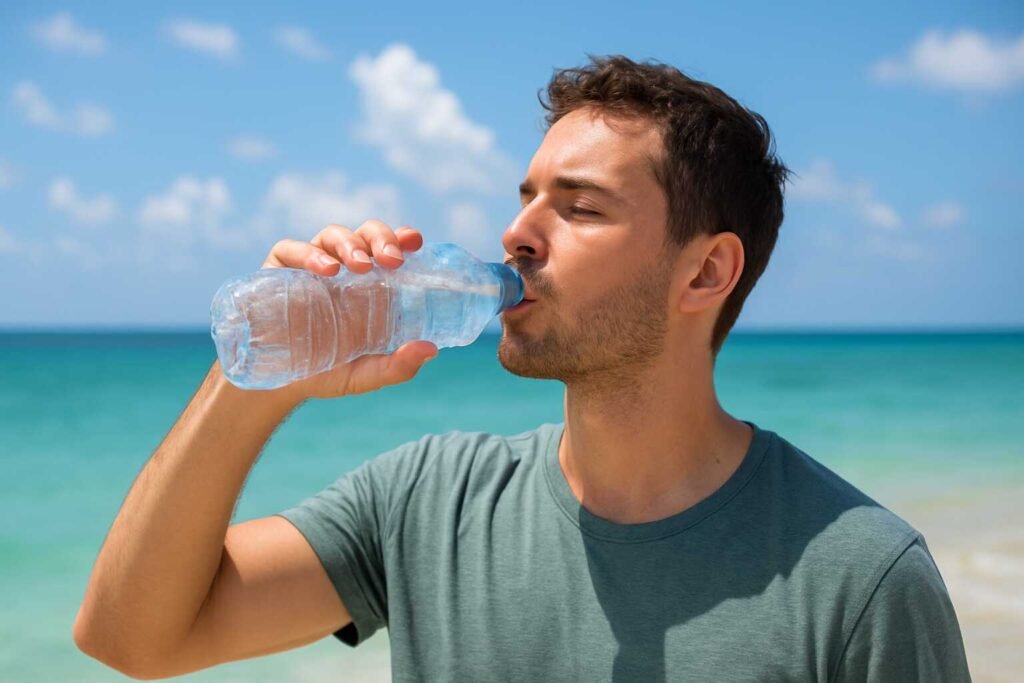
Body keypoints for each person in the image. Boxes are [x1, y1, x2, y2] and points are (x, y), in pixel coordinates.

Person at [74, 55, 971, 681]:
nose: (517, 233)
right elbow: (130, 638)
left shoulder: (860, 578)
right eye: (526, 196)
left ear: (706, 272)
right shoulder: (428, 501)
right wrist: (255, 378)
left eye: (578, 207)